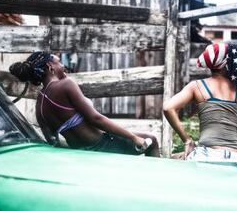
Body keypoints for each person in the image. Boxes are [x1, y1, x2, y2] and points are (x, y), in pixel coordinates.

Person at [9, 51, 160, 157]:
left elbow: (52, 140)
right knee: (151, 141)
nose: (63, 66)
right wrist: (133, 137)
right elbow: (96, 119)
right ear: (50, 66)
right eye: (59, 62)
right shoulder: (66, 85)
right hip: (102, 146)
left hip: (80, 151)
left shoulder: (40, 105)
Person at [163, 43, 237, 161]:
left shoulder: (196, 86)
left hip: (205, 155)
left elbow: (168, 108)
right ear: (226, 64)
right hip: (234, 156)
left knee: (171, 159)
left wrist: (187, 140)